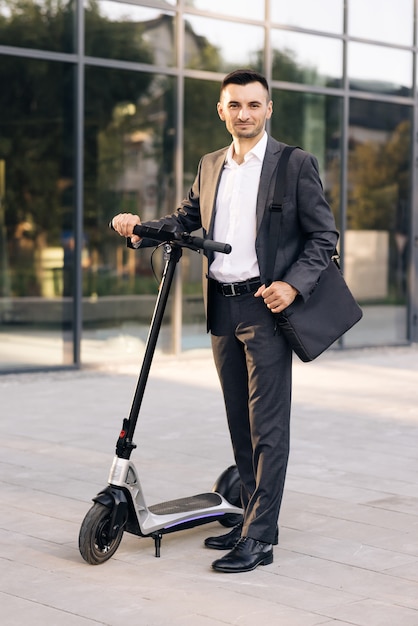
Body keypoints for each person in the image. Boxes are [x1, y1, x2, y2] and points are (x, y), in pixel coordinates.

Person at [111, 69, 338, 573]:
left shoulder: (294, 164)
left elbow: (324, 237)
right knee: (240, 421)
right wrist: (141, 231)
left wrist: (293, 284)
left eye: (253, 105)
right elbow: (185, 219)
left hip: (267, 308)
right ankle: (253, 516)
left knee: (268, 427)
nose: (244, 114)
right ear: (222, 111)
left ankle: (261, 537)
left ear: (269, 109)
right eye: (234, 105)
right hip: (222, 306)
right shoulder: (211, 164)